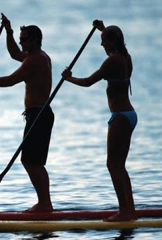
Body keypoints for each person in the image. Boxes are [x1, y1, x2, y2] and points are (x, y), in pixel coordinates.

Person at [0, 13, 54, 212]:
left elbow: (9, 81)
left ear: (36, 39)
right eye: (20, 40)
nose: (21, 44)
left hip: (39, 115)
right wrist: (9, 32)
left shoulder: (35, 60)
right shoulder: (37, 56)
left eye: (24, 40)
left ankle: (44, 204)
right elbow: (13, 53)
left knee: (31, 161)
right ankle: (45, 203)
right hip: (38, 115)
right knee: (33, 161)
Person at [61, 20, 138, 222]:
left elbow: (87, 82)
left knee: (113, 165)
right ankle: (130, 210)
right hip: (129, 114)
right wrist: (103, 29)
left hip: (120, 116)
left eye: (104, 41)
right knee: (119, 165)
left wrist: (68, 78)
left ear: (113, 41)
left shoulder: (112, 62)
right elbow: (116, 41)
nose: (101, 45)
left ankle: (125, 212)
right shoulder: (125, 57)